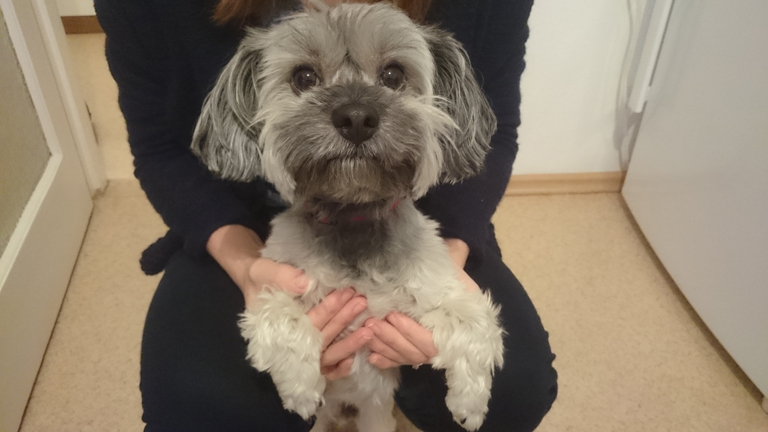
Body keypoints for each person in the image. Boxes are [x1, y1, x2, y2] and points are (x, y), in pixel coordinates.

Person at [94, 0, 557, 430]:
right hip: (242, 216)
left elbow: (493, 136)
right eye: (305, 78)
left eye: (392, 75)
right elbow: (160, 150)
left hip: (418, 213)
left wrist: (447, 260)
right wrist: (245, 266)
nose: (356, 113)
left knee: (514, 391)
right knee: (199, 405)